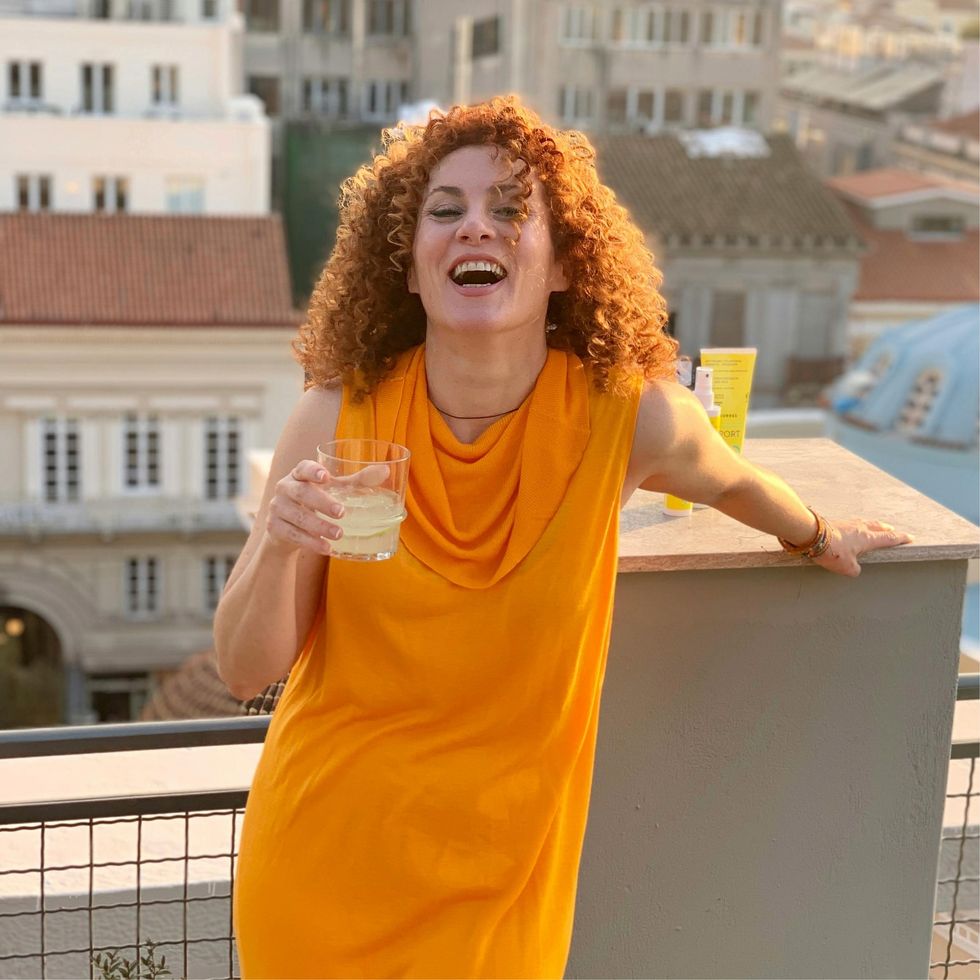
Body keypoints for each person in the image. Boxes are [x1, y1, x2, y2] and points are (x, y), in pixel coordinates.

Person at [215, 96, 910, 979]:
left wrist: (818, 532)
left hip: (506, 879)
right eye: (445, 210)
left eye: (511, 210)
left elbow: (731, 478)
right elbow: (245, 670)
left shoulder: (627, 419)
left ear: (565, 263)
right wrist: (280, 541)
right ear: (408, 263)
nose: (476, 227)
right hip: (323, 860)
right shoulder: (333, 417)